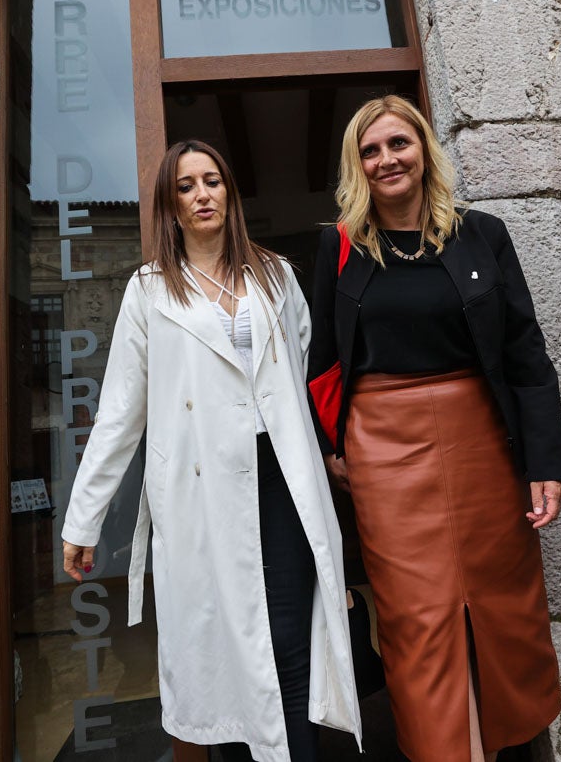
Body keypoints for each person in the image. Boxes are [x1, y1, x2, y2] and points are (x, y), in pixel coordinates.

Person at [61, 140, 362, 762]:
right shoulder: (149, 291)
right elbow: (120, 411)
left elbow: (311, 378)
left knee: (288, 639)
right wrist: (84, 517)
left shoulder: (276, 275)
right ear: (170, 206)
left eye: (213, 181)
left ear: (230, 193)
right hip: (202, 493)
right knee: (224, 649)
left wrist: (338, 452)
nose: (202, 195)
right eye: (186, 187)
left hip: (281, 478)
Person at [307, 96, 561, 762]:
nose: (385, 159)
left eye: (398, 143)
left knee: (503, 608)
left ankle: (519, 745)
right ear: (356, 166)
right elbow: (321, 361)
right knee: (416, 617)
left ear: (423, 149)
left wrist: (543, 462)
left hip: (481, 445)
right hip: (385, 453)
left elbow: (525, 352)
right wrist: (333, 442)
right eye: (369, 151)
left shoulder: (481, 234)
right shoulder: (337, 246)